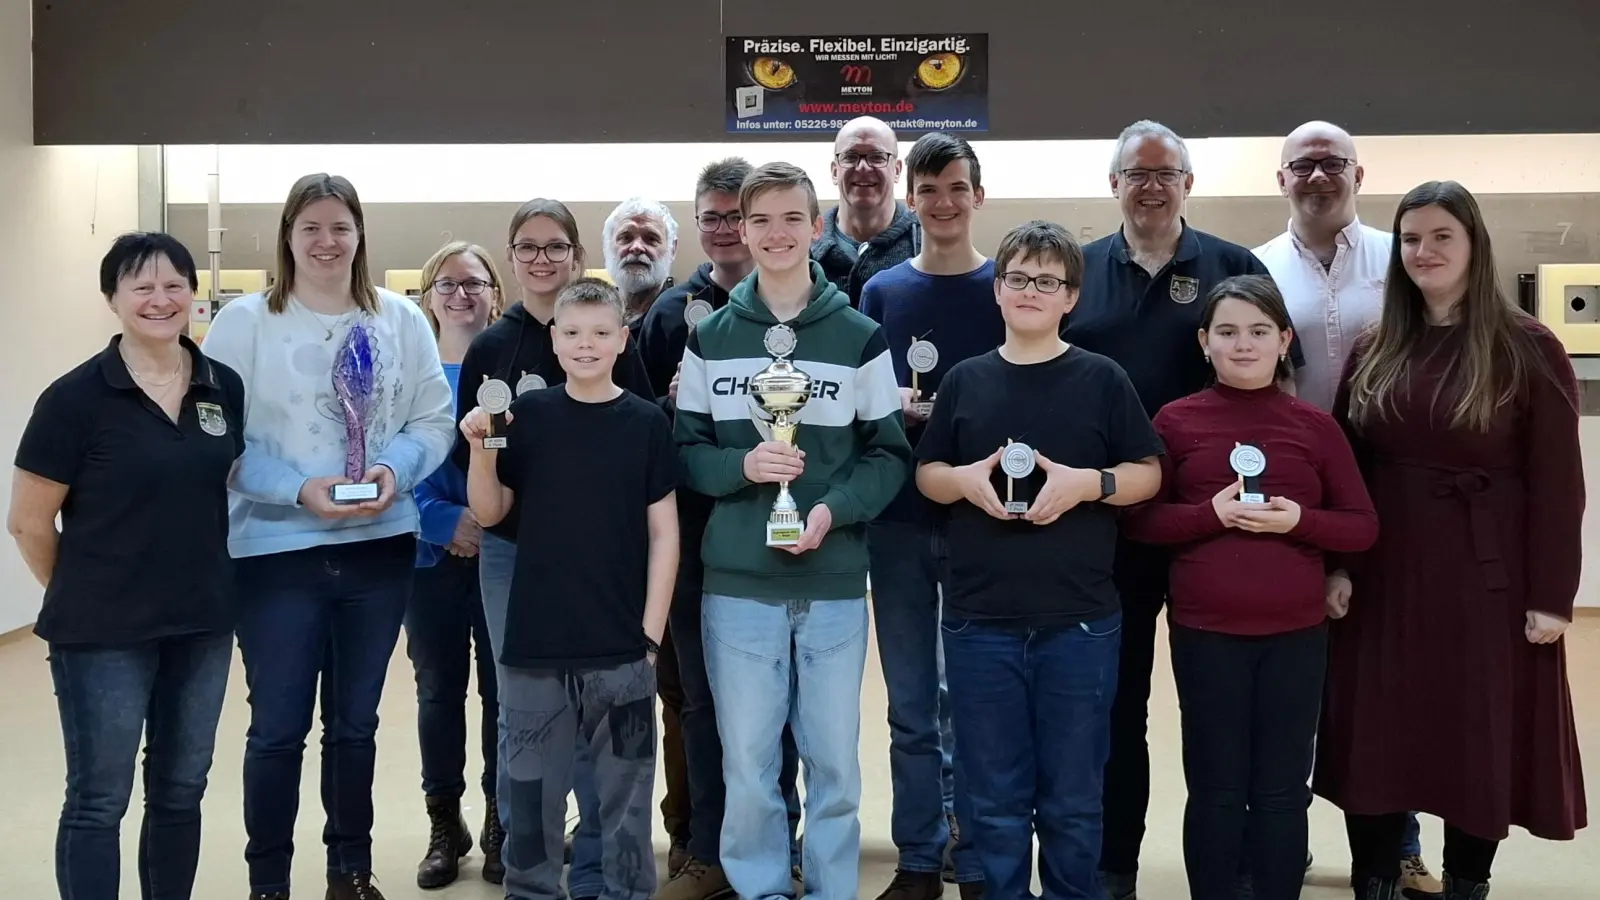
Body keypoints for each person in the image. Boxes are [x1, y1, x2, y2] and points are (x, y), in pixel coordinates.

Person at [1316, 181, 1588, 900]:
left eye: (1442, 236)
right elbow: (1345, 468)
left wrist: (1552, 595)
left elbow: (1559, 483)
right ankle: (1377, 879)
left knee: (1478, 732)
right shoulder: (1377, 343)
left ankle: (1468, 882)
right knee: (1378, 731)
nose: (1424, 251)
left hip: (1486, 575)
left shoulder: (1527, 346)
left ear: (1474, 245)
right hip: (1385, 570)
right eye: (1411, 239)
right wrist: (1338, 566)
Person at [1064, 119, 1303, 900]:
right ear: (1114, 184)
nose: (1151, 186)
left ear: (1188, 184)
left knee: (1226, 713)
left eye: (1165, 173)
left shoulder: (1235, 266)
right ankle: (1115, 868)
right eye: (1136, 174)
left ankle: (1245, 866)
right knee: (1115, 709)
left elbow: (1283, 391)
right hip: (1113, 530)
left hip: (1224, 529)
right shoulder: (1079, 271)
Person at [201, 173, 457, 900]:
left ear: (359, 234)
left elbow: (432, 420)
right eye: (310, 227)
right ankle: (269, 883)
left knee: (354, 726)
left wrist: (392, 471)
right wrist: (296, 488)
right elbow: (216, 434)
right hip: (275, 554)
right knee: (278, 728)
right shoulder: (244, 323)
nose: (326, 241)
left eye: (340, 227)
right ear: (287, 235)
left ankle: (350, 872)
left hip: (378, 549)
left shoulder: (400, 320)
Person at [675, 161, 912, 900]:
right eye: (760, 220)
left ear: (816, 227)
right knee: (748, 762)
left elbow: (888, 454)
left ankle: (834, 887)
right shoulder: (711, 338)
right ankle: (763, 888)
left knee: (834, 760)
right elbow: (686, 452)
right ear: (741, 232)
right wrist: (743, 466)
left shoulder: (861, 336)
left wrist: (831, 510)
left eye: (790, 219)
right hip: (739, 585)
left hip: (833, 582)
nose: (775, 233)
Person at [915, 220, 1163, 900]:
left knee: (1073, 799)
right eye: (1018, 278)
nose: (1030, 290)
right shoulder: (965, 380)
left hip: (1079, 623)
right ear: (997, 289)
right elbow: (928, 473)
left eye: (1047, 281)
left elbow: (1147, 473)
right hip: (979, 622)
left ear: (1071, 297)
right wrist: (963, 481)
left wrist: (1090, 484)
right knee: (991, 797)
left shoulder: (1102, 378)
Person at [1120, 275, 1378, 900]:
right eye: (1228, 332)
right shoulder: (1175, 421)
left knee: (1282, 789)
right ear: (1204, 342)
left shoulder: (1315, 427)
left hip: (1296, 635)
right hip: (1206, 634)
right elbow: (1139, 521)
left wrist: (1300, 521)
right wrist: (1209, 515)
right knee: (1216, 786)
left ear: (1284, 340)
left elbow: (1362, 526)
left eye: (1260, 332)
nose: (1244, 345)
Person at [8, 232, 245, 900]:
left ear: (192, 294)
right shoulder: (74, 399)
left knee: (181, 789)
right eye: (142, 287)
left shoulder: (221, 385)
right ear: (112, 298)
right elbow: (28, 521)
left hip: (202, 624)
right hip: (102, 635)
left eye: (174, 285)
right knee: (99, 798)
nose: (160, 299)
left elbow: (219, 484)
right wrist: (84, 594)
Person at [1252, 120, 1442, 897]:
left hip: (1389, 489)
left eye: (1332, 162)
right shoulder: (1258, 266)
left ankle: (1399, 844)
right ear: (1281, 179)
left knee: (1387, 677)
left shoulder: (1401, 262)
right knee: (1295, 680)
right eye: (1302, 164)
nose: (1317, 175)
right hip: (1292, 492)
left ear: (1359, 174)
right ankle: (1285, 838)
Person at [454, 198, 655, 900]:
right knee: (524, 711)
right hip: (515, 554)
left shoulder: (610, 341)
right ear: (511, 257)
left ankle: (599, 865)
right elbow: (475, 460)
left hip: (602, 557)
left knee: (605, 712)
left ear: (577, 255)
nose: (542, 258)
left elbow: (643, 446)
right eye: (528, 246)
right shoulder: (491, 347)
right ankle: (525, 859)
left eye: (555, 246)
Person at [642, 157, 806, 900]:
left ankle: (782, 845)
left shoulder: (804, 310)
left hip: (783, 535)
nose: (727, 228)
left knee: (785, 701)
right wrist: (680, 403)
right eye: (711, 215)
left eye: (736, 215)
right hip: (694, 537)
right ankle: (707, 847)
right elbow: (645, 429)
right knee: (703, 704)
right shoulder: (670, 315)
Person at [857, 131, 999, 900]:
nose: (944, 203)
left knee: (974, 702)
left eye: (957, 188)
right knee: (911, 705)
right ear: (910, 200)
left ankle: (974, 856)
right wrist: (900, 415)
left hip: (984, 523)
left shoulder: (1006, 287)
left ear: (979, 195)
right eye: (930, 190)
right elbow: (862, 411)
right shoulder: (882, 293)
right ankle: (918, 856)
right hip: (898, 521)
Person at [405, 241, 507, 889]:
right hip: (429, 558)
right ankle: (445, 822)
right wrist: (444, 523)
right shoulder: (409, 373)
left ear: (496, 292)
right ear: (428, 297)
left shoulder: (513, 364)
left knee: (503, 693)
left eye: (474, 282)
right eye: (446, 283)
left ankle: (501, 820)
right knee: (438, 691)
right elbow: (387, 456)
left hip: (502, 553)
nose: (461, 293)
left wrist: (489, 521)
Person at [812, 116, 922, 306]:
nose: (863, 167)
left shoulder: (926, 245)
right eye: (850, 157)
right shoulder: (803, 248)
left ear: (897, 170)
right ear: (835, 171)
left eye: (877, 157)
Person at [604, 196, 679, 325]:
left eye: (651, 239)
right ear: (607, 246)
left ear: (672, 249)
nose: (636, 247)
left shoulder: (683, 313)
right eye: (625, 238)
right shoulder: (592, 312)